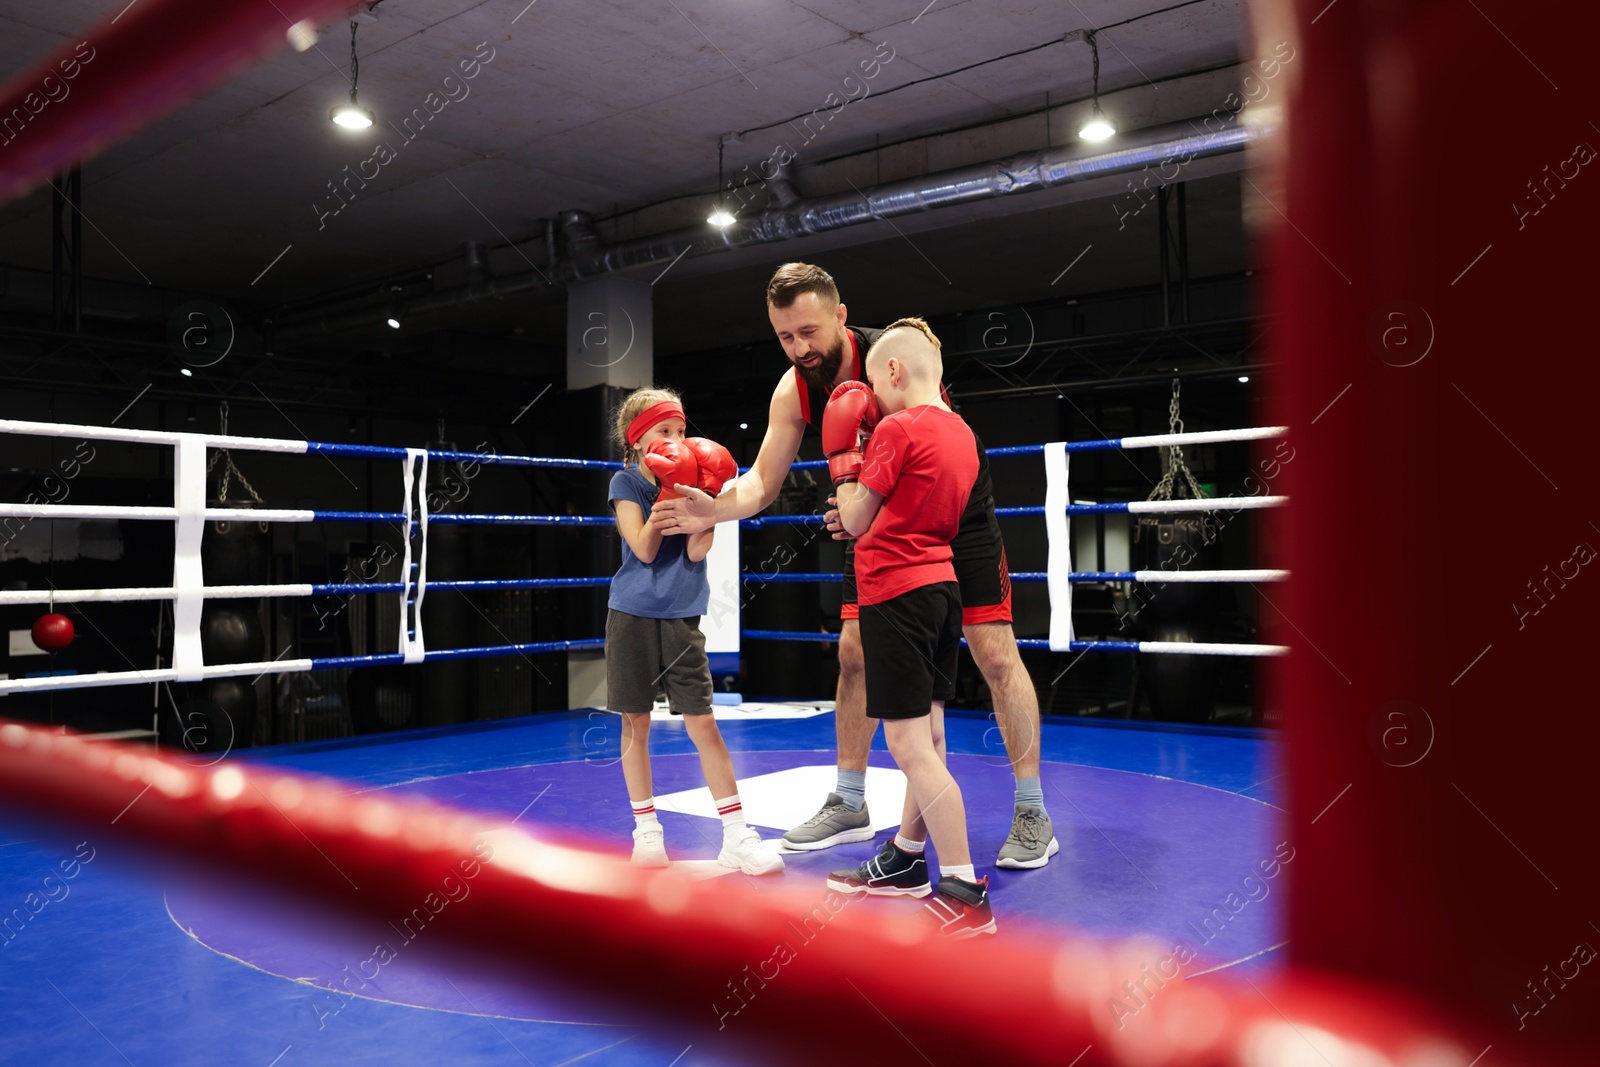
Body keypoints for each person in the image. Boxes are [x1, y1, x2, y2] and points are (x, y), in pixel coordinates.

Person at [650, 263, 1056, 869]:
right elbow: (761, 481)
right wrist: (712, 510)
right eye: (785, 337)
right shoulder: (795, 389)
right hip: (876, 520)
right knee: (852, 652)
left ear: (841, 316)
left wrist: (862, 503)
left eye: (809, 332)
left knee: (994, 653)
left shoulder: (894, 357)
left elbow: (936, 458)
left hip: (954, 508)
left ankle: (1031, 808)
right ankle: (851, 799)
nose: (800, 349)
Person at [821, 320, 994, 936]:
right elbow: (912, 508)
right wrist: (861, 510)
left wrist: (846, 466)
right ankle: (905, 860)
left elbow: (859, 515)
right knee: (933, 737)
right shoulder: (964, 434)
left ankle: (966, 888)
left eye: (873, 382)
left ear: (892, 372)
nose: (872, 398)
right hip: (942, 589)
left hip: (895, 592)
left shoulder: (897, 427)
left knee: (909, 748)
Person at [605, 387, 783, 875]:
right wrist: (668, 491)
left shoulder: (696, 485)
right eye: (665, 431)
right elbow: (642, 549)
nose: (678, 440)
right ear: (639, 439)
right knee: (634, 724)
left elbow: (697, 553)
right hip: (632, 614)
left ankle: (736, 834)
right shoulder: (626, 483)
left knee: (702, 722)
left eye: (682, 431)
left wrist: (707, 506)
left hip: (683, 616)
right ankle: (646, 833)